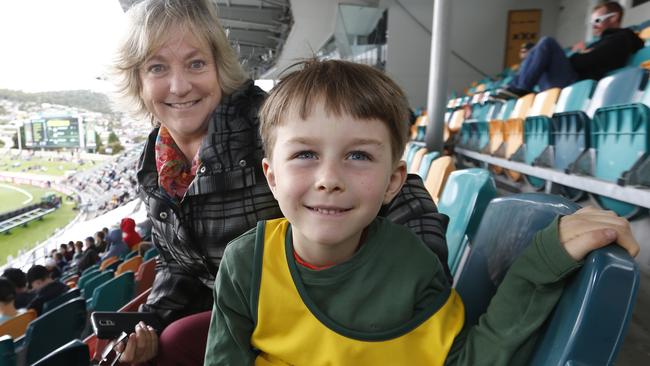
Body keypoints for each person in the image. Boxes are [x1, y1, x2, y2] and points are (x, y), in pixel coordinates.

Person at [204, 59, 640, 365]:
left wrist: (541, 263)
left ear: (394, 180)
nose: (328, 178)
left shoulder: (411, 266)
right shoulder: (246, 263)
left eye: (358, 156)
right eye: (304, 154)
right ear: (271, 175)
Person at [112, 0, 448, 364]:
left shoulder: (267, 119)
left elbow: (400, 189)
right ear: (138, 80)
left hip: (306, 311)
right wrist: (148, 323)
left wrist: (406, 285)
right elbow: (177, 265)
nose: (179, 86)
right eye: (157, 68)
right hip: (233, 313)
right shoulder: (152, 162)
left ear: (219, 67)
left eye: (196, 63)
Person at [499, 1, 643, 98]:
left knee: (547, 42)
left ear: (614, 18)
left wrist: (577, 54)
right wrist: (583, 53)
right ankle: (513, 87)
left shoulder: (620, 38)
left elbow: (583, 63)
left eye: (597, 21)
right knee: (535, 53)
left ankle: (522, 88)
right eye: (592, 22)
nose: (593, 26)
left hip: (578, 84)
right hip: (571, 82)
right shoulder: (601, 42)